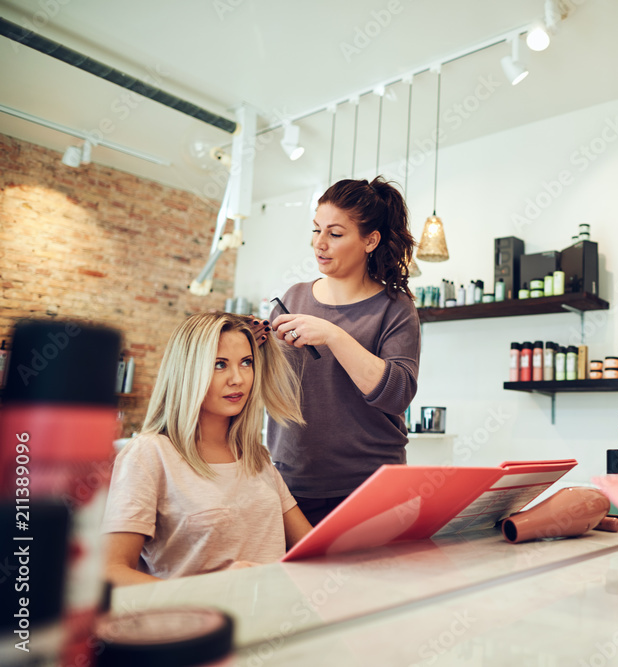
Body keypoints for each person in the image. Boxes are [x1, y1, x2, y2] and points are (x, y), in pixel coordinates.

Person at [102, 312, 312, 585]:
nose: (238, 379)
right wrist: (212, 592)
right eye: (219, 365)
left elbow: (311, 546)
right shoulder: (149, 454)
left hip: (273, 620)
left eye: (246, 362)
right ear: (188, 371)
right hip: (197, 624)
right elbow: (111, 572)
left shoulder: (255, 457)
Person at [259, 176, 420, 526]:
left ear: (370, 240)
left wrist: (334, 335)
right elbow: (265, 386)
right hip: (292, 486)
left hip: (371, 487)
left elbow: (398, 395)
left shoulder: (395, 307)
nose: (320, 244)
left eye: (335, 234)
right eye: (316, 230)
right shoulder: (293, 299)